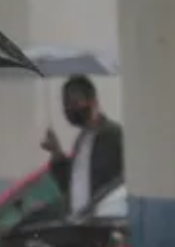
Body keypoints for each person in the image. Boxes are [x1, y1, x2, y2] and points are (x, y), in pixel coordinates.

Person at [41, 76, 125, 213]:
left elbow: (122, 182)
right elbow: (71, 184)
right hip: (79, 220)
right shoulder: (81, 140)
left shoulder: (114, 136)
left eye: (74, 102)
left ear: (93, 101)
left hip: (103, 221)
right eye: (65, 104)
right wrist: (56, 152)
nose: (69, 109)